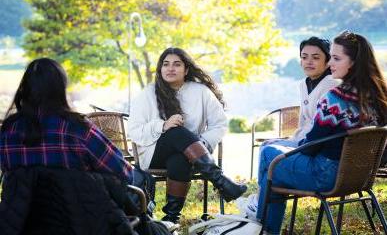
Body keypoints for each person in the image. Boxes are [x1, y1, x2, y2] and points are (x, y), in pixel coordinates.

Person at [256, 31, 387, 235]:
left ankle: (262, 225)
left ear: (353, 62)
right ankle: (261, 220)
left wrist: (293, 146)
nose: (330, 63)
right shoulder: (375, 95)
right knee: (273, 172)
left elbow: (311, 148)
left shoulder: (336, 97)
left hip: (326, 175)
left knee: (268, 155)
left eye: (336, 58)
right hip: (358, 176)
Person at [128, 47, 247, 223]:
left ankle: (171, 218)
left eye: (177, 64)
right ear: (160, 69)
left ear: (186, 70)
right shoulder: (148, 94)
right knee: (175, 131)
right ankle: (220, 180)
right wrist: (163, 125)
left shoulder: (201, 92)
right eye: (166, 64)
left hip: (192, 155)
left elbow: (219, 124)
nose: (170, 68)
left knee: (180, 158)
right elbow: (134, 130)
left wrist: (203, 143)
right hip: (153, 153)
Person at [0, 58, 133, 182]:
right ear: (61, 89)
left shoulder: (7, 131)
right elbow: (123, 173)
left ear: (25, 88)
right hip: (77, 206)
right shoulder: (79, 129)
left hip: (22, 207)